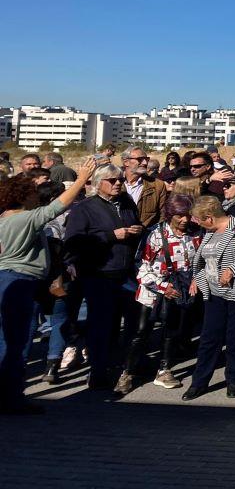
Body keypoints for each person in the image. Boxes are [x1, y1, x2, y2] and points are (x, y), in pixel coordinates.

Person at [0, 158, 95, 413]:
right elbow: (57, 207)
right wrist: (82, 179)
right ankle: (11, 399)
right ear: (23, 196)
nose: (36, 196)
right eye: (32, 192)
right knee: (14, 344)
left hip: (8, 280)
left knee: (6, 341)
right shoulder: (24, 219)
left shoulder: (4, 218)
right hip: (19, 280)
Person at [63, 163, 144, 389]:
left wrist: (135, 230)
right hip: (99, 274)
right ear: (99, 183)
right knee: (101, 325)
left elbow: (133, 226)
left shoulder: (126, 203)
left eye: (120, 179)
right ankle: (98, 372)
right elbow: (75, 241)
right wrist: (111, 235)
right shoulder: (85, 208)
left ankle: (122, 368)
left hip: (126, 273)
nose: (118, 183)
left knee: (131, 325)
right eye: (112, 180)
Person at [114, 194, 200, 396]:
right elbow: (142, 269)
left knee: (171, 332)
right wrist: (162, 287)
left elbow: (198, 262)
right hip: (152, 291)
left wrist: (196, 279)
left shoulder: (196, 234)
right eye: (179, 215)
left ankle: (164, 369)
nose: (184, 220)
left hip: (179, 290)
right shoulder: (155, 234)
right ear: (170, 214)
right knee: (141, 332)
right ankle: (127, 373)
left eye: (187, 215)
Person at [183, 196, 235, 402]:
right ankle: (199, 382)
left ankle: (234, 379)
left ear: (209, 217)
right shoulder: (208, 232)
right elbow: (205, 261)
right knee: (209, 339)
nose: (195, 223)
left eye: (198, 219)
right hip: (213, 293)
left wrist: (232, 270)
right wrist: (199, 277)